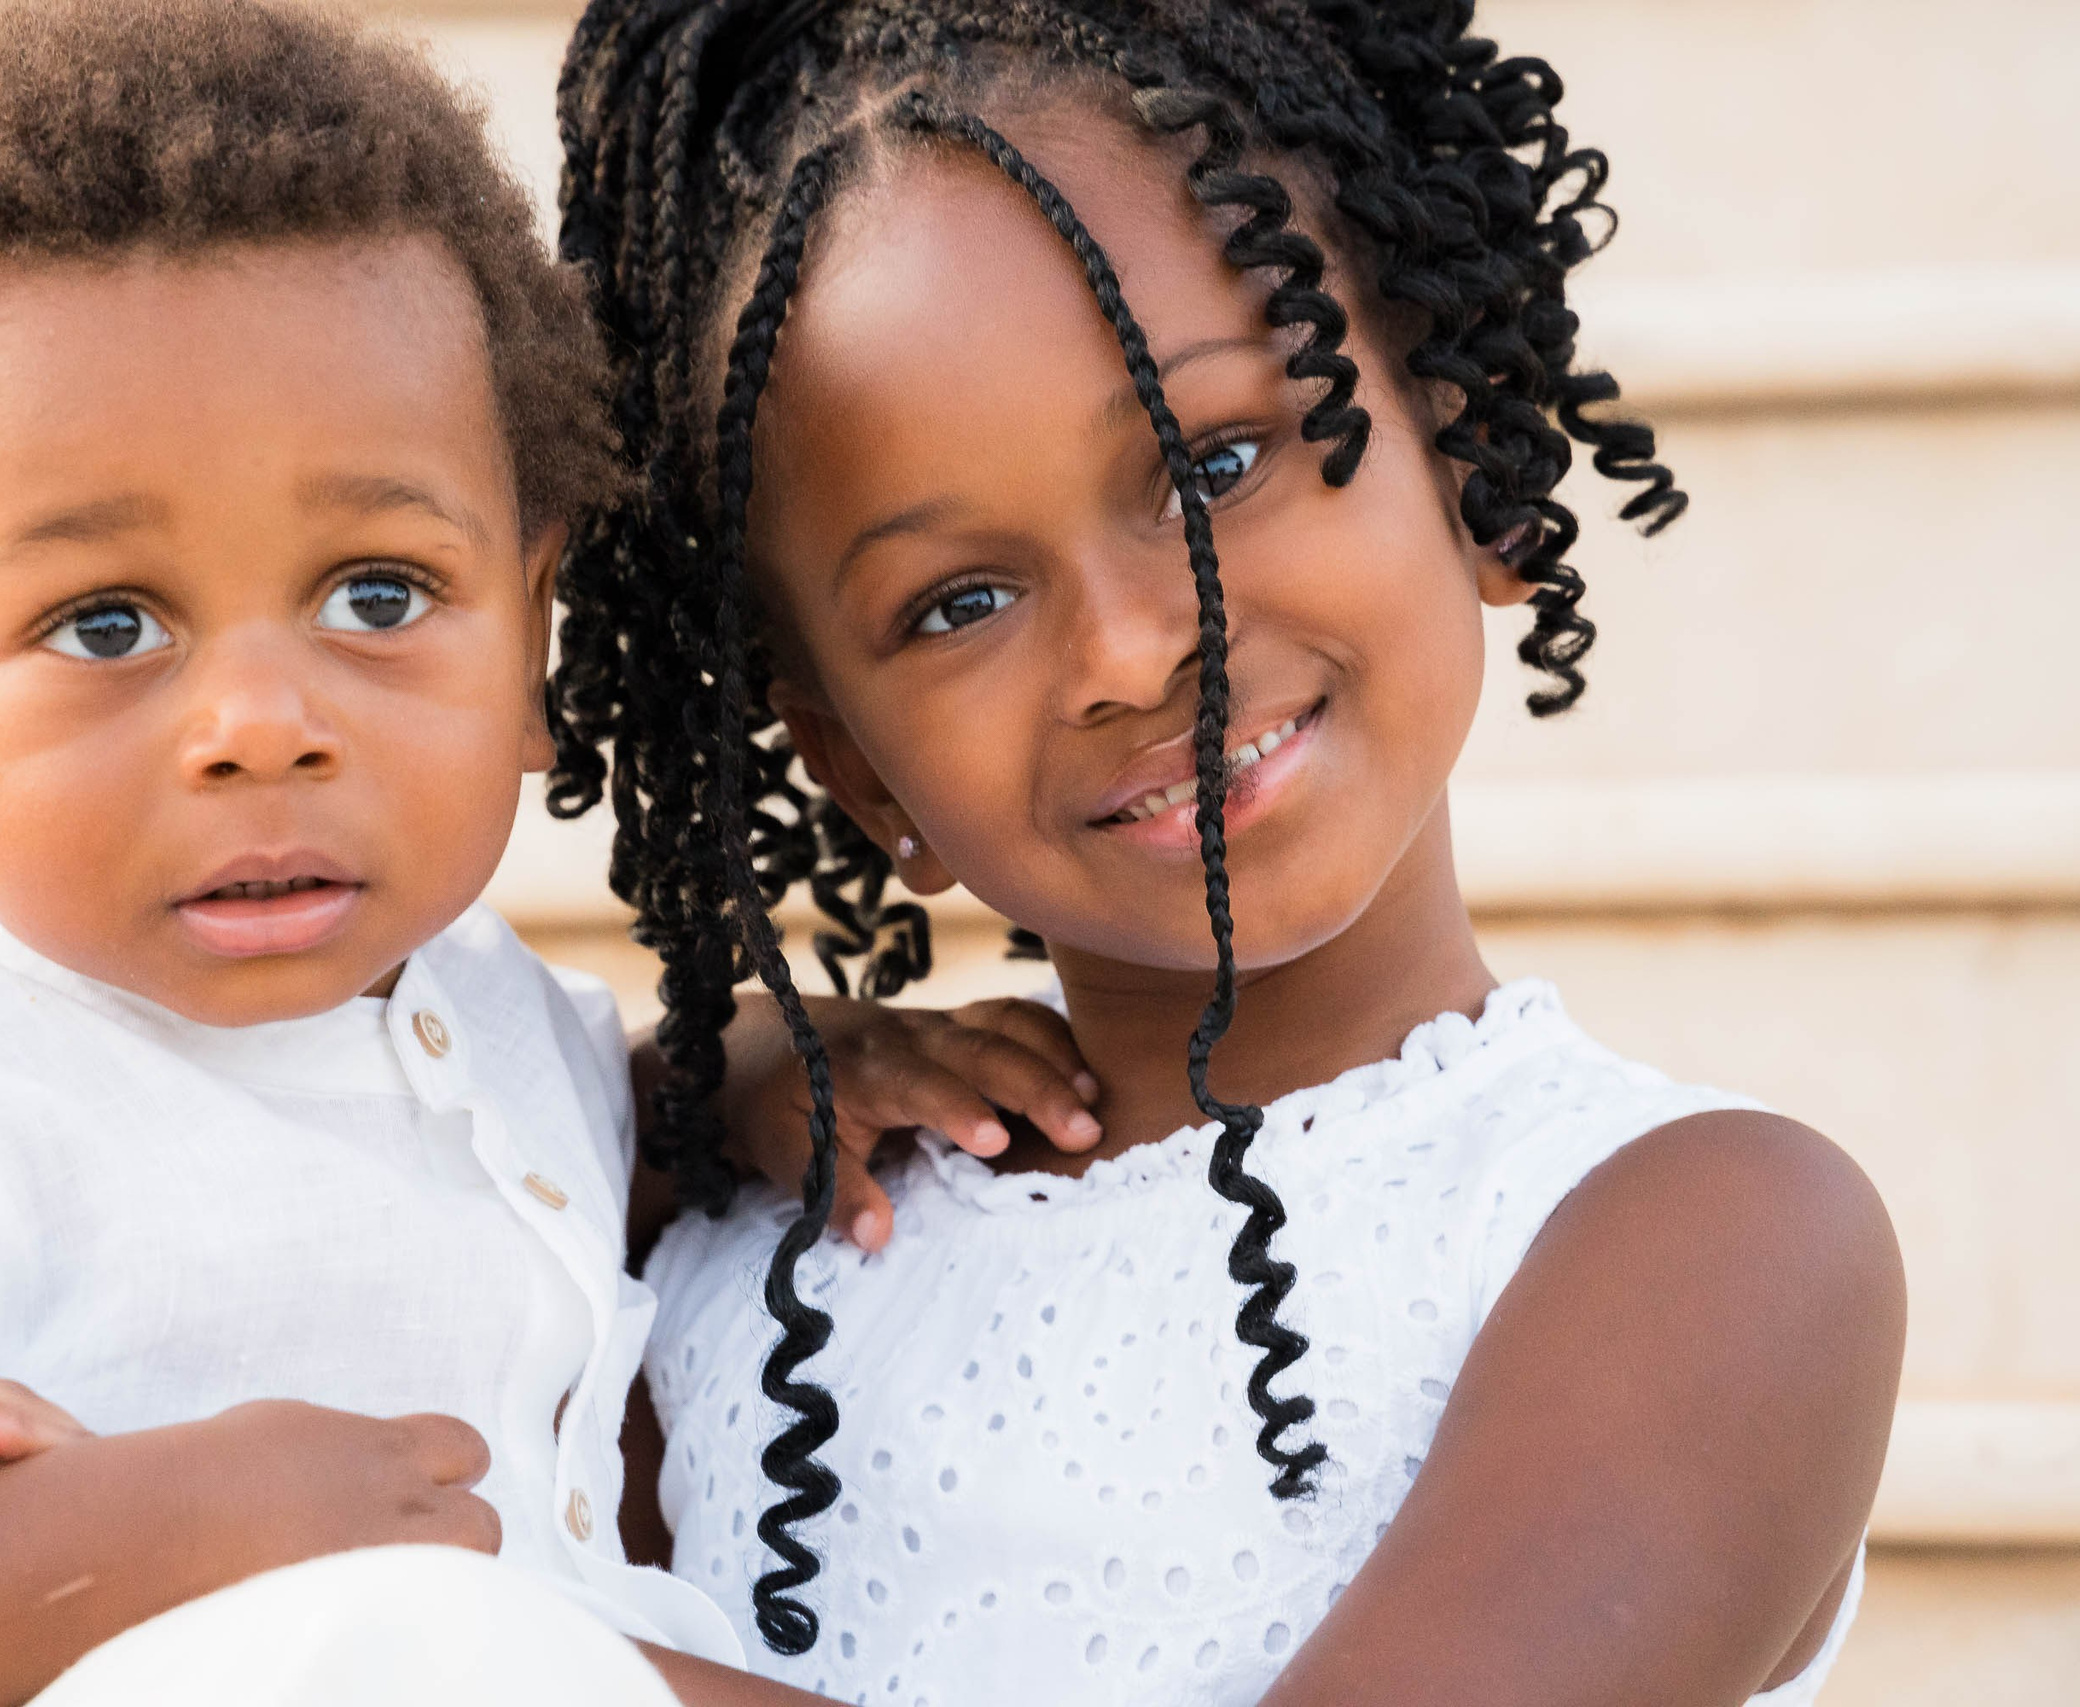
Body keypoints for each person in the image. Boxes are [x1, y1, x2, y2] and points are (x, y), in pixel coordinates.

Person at [0, 6, 1081, 1704]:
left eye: (380, 596)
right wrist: (154, 1522)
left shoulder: (476, 1017)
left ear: (530, 644)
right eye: (106, 622)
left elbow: (482, 1155)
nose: (263, 723)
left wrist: (760, 1070)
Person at [546, 2, 1909, 1703]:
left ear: (1470, 445)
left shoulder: (1704, 1241)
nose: (1129, 648)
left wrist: (439, 1654)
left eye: (1215, 463)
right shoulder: (741, 1269)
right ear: (852, 764)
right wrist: (689, 1092)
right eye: (958, 602)